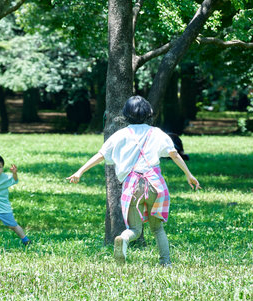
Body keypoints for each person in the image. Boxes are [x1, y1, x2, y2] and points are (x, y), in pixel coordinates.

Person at [67, 95, 201, 266]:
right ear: (148, 113)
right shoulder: (157, 133)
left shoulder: (120, 135)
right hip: (155, 184)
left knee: (135, 229)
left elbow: (101, 155)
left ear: (126, 115)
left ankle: (123, 239)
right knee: (157, 228)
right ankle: (165, 263)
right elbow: (174, 154)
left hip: (132, 185)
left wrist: (80, 171)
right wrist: (189, 174)